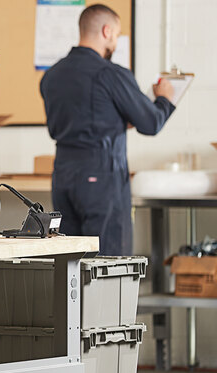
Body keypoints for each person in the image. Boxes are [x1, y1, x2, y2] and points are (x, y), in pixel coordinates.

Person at [40, 3, 176, 255]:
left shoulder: (52, 76)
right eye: (116, 34)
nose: (115, 42)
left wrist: (117, 120)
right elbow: (151, 123)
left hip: (63, 177)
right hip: (101, 178)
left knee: (71, 261)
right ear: (107, 31)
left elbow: (74, 121)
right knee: (110, 263)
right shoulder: (110, 74)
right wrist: (165, 99)